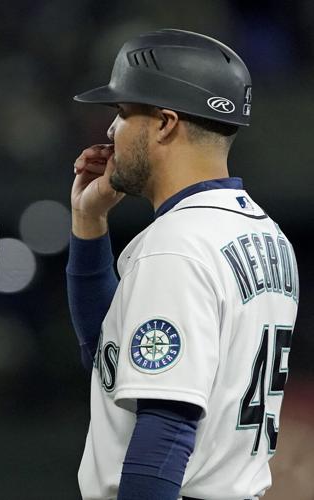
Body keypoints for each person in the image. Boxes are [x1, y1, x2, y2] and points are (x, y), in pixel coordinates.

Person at [66, 29, 299, 500]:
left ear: (165, 123)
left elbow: (166, 429)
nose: (111, 131)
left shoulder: (176, 244)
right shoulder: (268, 235)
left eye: (122, 112)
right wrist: (89, 220)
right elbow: (111, 364)